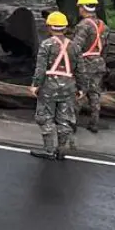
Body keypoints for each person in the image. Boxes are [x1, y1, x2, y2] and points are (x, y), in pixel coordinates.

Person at [29, 11, 84, 160]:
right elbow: (80, 69)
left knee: (45, 117)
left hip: (49, 86)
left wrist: (35, 85)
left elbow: (40, 68)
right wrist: (81, 88)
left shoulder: (46, 45)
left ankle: (48, 150)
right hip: (69, 87)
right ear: (65, 28)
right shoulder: (75, 46)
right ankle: (61, 150)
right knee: (64, 119)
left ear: (49, 27)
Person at [70, 0, 109, 132]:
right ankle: (94, 123)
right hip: (99, 63)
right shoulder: (103, 25)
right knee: (95, 94)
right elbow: (105, 48)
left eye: (80, 6)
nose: (79, 9)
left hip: (85, 64)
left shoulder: (84, 25)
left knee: (79, 93)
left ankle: (72, 123)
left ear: (83, 7)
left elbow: (75, 47)